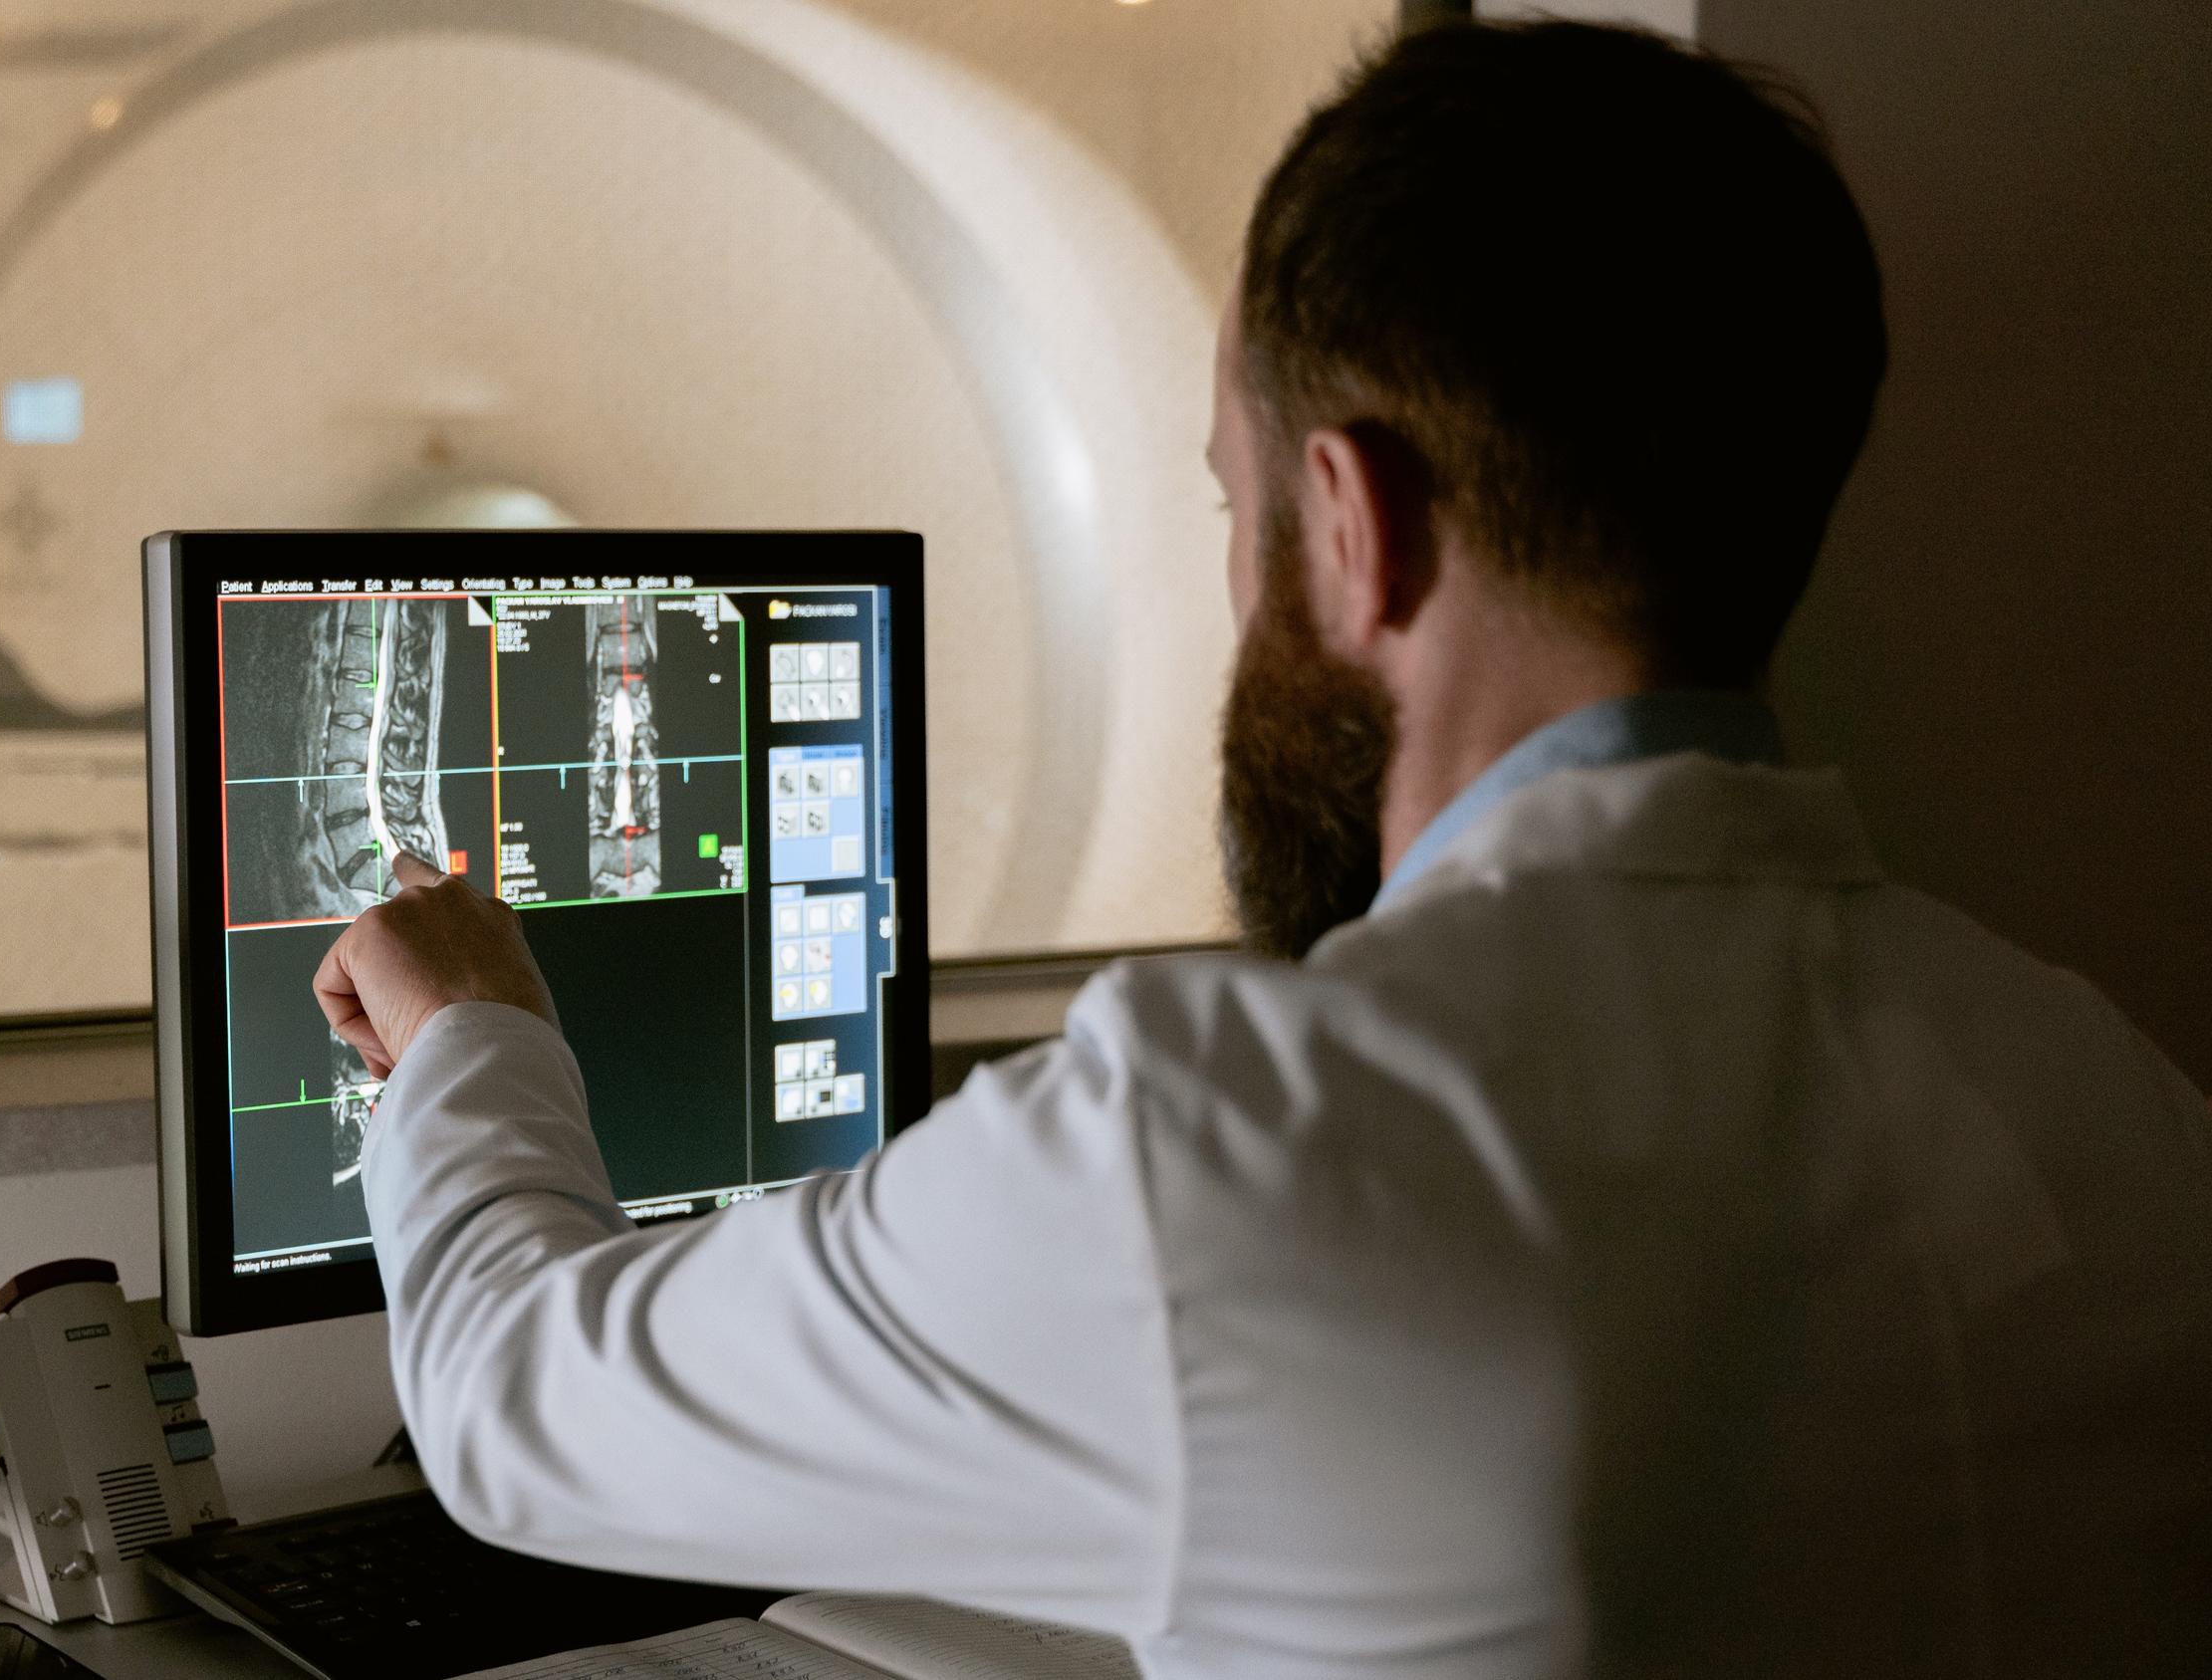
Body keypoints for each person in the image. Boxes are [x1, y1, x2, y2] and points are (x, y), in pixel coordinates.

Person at [312, 20, 2212, 1677]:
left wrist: (474, 1030)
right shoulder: (2109, 1104)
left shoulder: (1241, 1144)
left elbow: (515, 1412)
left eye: (1235, 504)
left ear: (1350, 516)